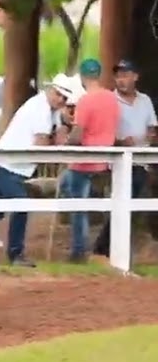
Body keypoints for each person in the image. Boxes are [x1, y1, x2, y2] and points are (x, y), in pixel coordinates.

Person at [0, 74, 80, 267]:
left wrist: (63, 126)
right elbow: (41, 144)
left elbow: (53, 138)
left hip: (12, 166)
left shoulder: (49, 109)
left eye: (64, 98)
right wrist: (57, 139)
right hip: (8, 165)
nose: (60, 100)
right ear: (50, 90)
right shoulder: (40, 110)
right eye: (58, 95)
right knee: (20, 205)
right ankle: (15, 253)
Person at [93, 59, 157, 256]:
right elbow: (101, 131)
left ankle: (110, 247)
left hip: (143, 159)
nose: (121, 80)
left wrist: (152, 136)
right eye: (118, 76)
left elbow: (152, 127)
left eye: (125, 75)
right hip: (120, 160)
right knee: (125, 201)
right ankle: (106, 247)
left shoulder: (144, 100)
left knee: (134, 203)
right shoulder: (110, 101)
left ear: (135, 77)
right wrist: (120, 142)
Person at [63, 58, 121, 263]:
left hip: (83, 162)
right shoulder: (112, 99)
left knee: (78, 207)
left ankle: (79, 250)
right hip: (104, 161)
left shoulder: (85, 101)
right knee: (107, 205)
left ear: (82, 76)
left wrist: (66, 142)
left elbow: (78, 135)